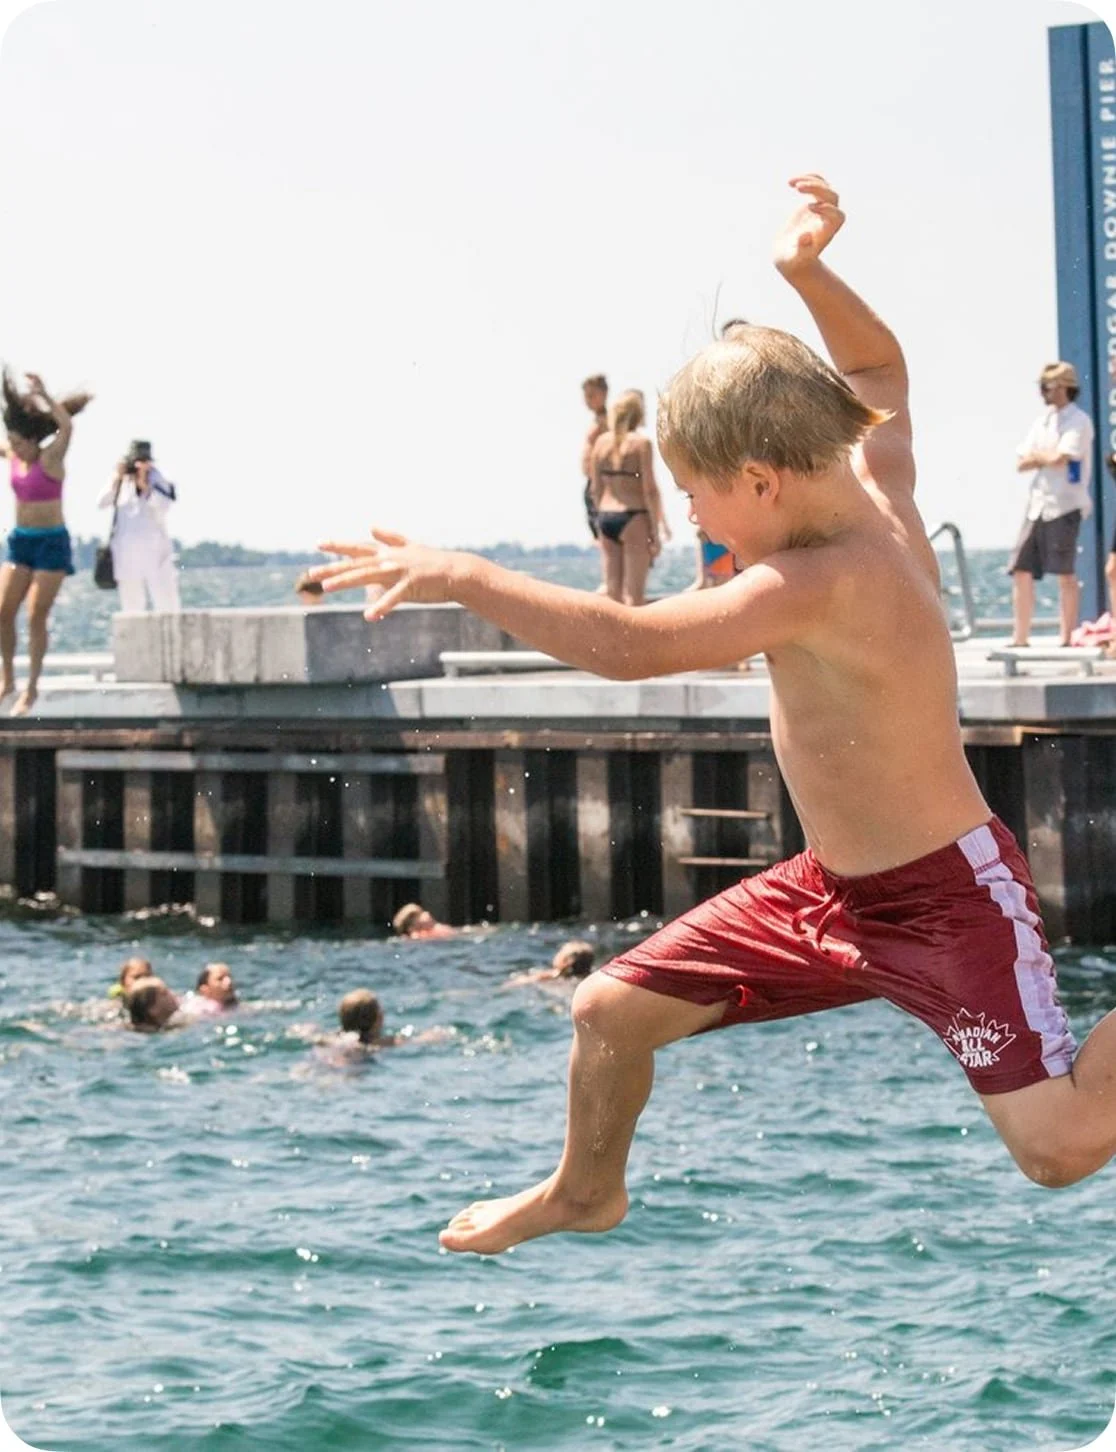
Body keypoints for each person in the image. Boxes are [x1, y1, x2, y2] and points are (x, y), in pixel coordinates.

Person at [315, 173, 1116, 1259]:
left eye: (698, 491)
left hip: (949, 902)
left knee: (1060, 1147)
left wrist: (464, 572)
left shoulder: (816, 581)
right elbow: (879, 370)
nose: (687, 510)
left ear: (762, 479)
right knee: (607, 1013)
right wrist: (807, 272)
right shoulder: (875, 481)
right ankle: (584, 1190)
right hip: (830, 889)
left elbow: (633, 648)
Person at [0, 369, 90, 716]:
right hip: (21, 541)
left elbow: (66, 427)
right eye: (12, 443)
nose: (16, 449)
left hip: (51, 542)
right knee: (4, 613)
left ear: (33, 440)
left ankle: (32, 690)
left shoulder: (50, 459)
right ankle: (7, 680)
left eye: (21, 443)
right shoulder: (13, 455)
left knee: (37, 615)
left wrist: (44, 395)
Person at [1008, 363, 1094, 647]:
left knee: (1065, 572)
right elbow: (1022, 461)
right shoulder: (1042, 421)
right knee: (1020, 568)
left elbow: (1063, 457)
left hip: (1065, 505)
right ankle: (1020, 638)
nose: (1042, 392)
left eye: (1046, 386)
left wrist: (1040, 456)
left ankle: (1066, 637)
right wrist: (1046, 456)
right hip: (1038, 504)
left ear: (1063, 387)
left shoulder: (1079, 421)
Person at [588, 390, 671, 605]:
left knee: (613, 596)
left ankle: (612, 640)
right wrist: (655, 530)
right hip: (634, 517)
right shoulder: (641, 444)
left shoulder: (600, 443)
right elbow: (649, 490)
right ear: (638, 414)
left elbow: (595, 489)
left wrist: (598, 524)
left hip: (606, 517)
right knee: (635, 597)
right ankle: (638, 640)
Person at [99, 440, 181, 614]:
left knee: (167, 606)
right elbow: (101, 502)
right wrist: (117, 478)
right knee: (132, 608)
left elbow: (164, 505)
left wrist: (145, 486)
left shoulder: (160, 478)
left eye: (143, 461)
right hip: (126, 555)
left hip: (156, 554)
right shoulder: (121, 480)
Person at [580, 375, 608, 544]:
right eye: (586, 396)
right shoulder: (598, 419)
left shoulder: (607, 420)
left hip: (600, 480)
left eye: (591, 395)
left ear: (604, 394)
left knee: (601, 529)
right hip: (592, 478)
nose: (587, 401)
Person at [506, 940, 595, 987]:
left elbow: (520, 982)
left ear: (566, 962)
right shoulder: (589, 980)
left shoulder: (547, 976)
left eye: (561, 951)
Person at [391, 902, 456, 939]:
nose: (427, 913)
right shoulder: (418, 936)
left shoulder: (435, 930)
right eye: (420, 914)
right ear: (412, 927)